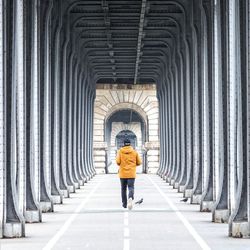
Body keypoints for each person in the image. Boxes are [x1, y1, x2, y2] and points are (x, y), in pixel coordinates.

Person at [116, 138, 142, 210]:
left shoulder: (120, 152)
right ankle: (130, 197)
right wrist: (133, 165)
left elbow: (118, 162)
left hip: (123, 174)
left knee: (123, 189)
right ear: (130, 144)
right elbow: (139, 162)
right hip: (131, 173)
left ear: (123, 144)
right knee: (131, 187)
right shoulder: (134, 152)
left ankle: (124, 203)